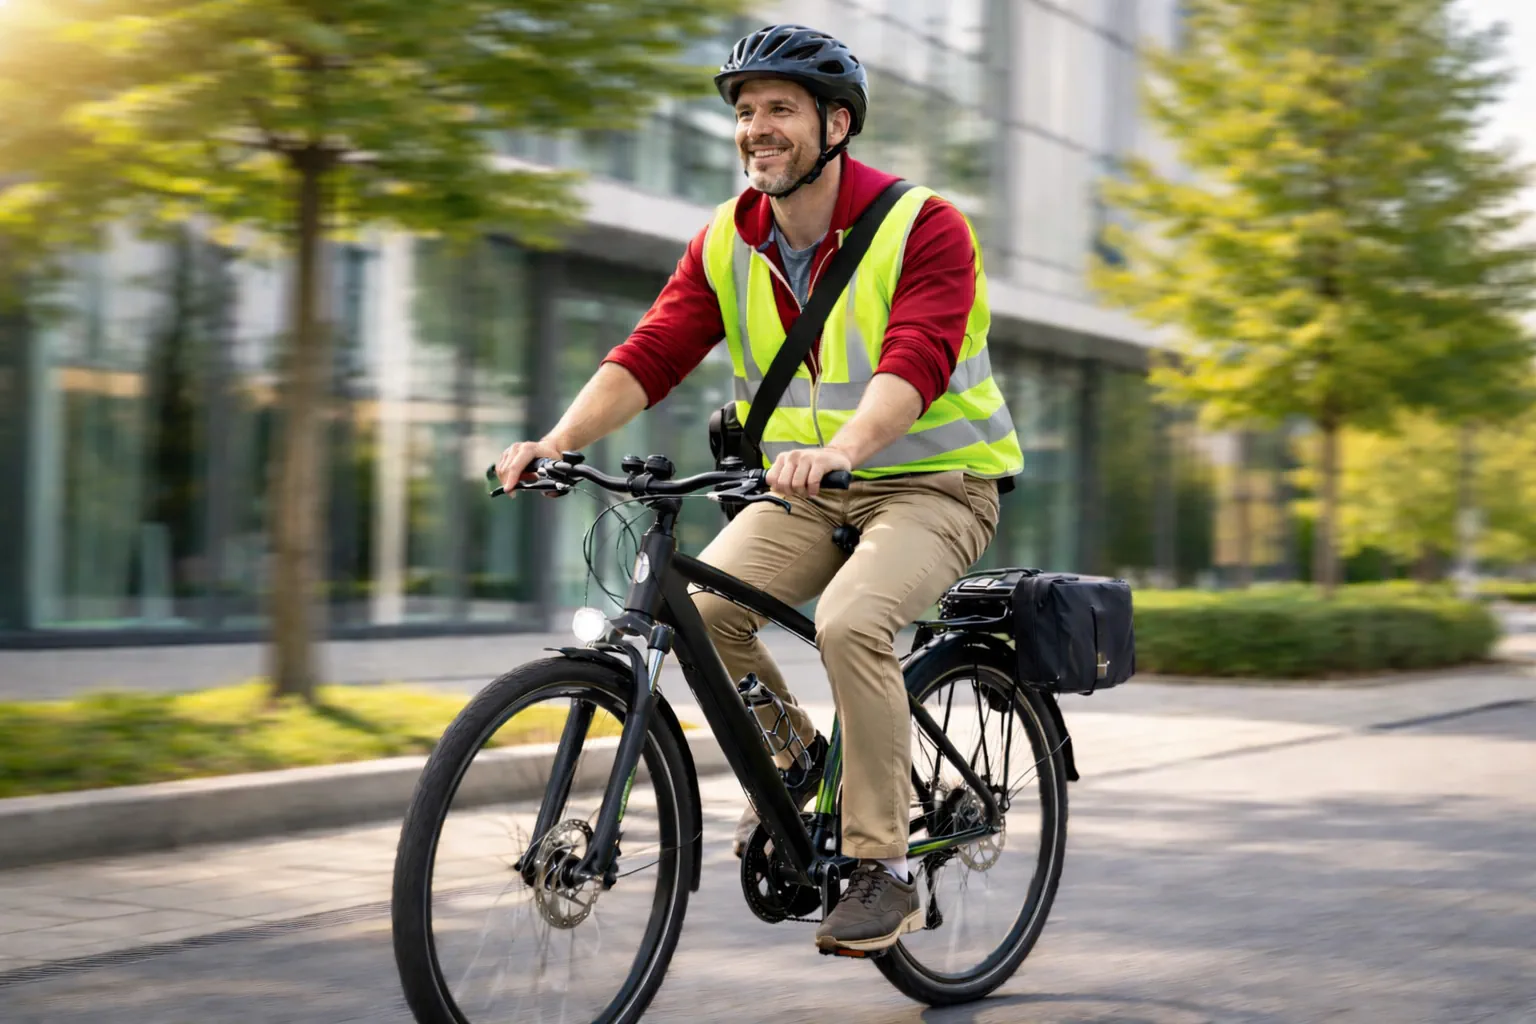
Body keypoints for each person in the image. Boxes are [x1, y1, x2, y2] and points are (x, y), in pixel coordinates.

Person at [495, 24, 1022, 953]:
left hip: (936, 484)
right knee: (703, 613)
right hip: (810, 491)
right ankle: (801, 767)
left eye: (779, 108)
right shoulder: (726, 242)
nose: (756, 128)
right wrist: (557, 440)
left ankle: (883, 866)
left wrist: (848, 445)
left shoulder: (922, 224)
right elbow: (652, 351)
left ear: (837, 122)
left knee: (855, 620)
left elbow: (919, 356)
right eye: (745, 113)